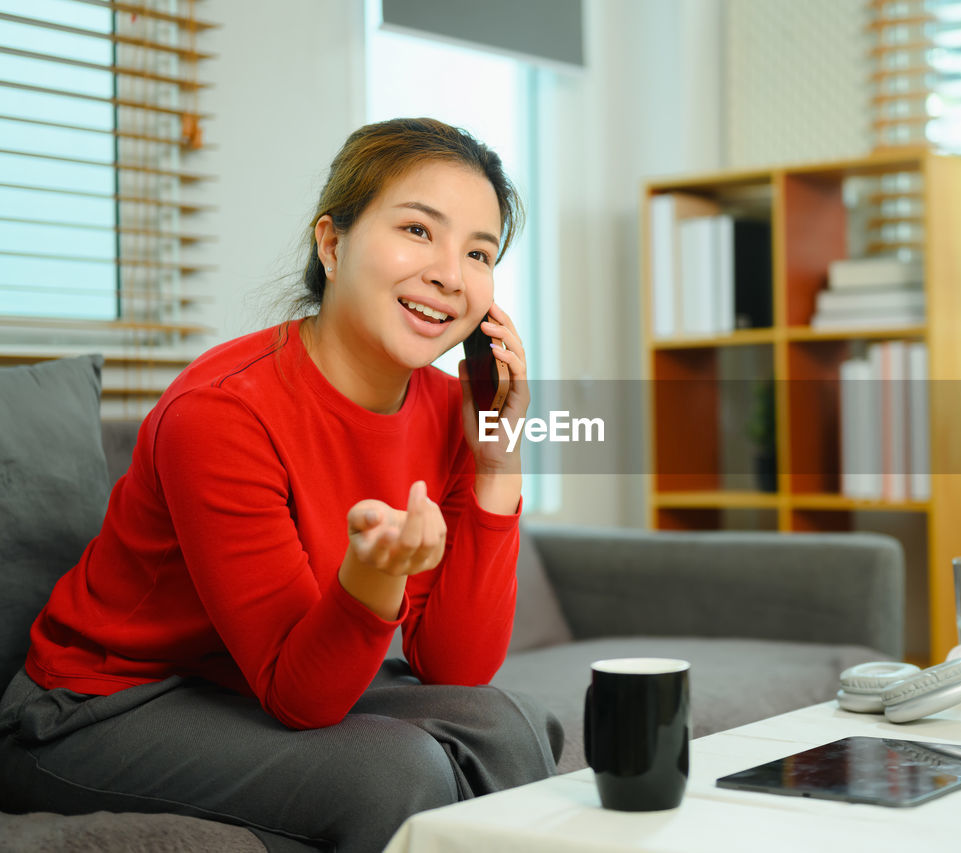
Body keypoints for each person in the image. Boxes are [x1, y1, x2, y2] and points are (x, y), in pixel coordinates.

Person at [0, 118, 562, 853]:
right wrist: (375, 574)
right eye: (418, 230)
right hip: (99, 706)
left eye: (479, 252)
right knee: (393, 774)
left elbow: (456, 667)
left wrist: (497, 457)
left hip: (241, 687)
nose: (451, 275)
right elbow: (303, 697)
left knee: (514, 727)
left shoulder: (452, 410)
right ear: (331, 244)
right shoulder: (221, 412)